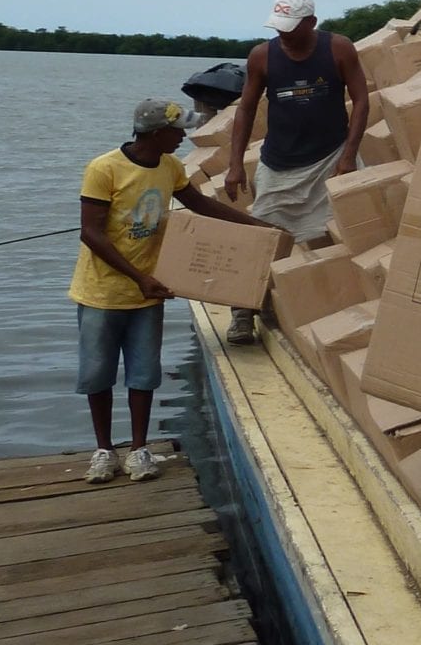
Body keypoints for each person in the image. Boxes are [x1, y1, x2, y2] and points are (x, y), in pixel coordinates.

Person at [72, 98, 283, 481]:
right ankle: (103, 450)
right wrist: (138, 277)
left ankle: (139, 449)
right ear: (156, 133)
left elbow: (199, 204)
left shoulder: (169, 166)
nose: (183, 136)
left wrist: (256, 226)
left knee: (143, 374)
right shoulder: (103, 169)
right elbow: (91, 233)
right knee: (98, 375)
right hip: (102, 293)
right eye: (177, 130)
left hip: (150, 293)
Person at [224, 0, 369, 344]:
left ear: (312, 23)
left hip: (329, 157)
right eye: (279, 28)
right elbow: (245, 109)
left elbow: (362, 100)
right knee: (265, 238)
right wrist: (234, 165)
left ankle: (319, 310)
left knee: (326, 238)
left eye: (291, 28)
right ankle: (244, 312)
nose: (284, 35)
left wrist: (349, 156)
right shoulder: (263, 56)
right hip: (279, 162)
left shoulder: (338, 49)